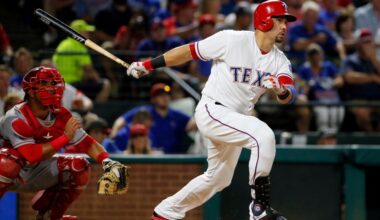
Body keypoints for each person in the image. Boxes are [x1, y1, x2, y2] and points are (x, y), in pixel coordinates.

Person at [126, 0, 297, 219]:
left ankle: (165, 212)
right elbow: (188, 52)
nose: (285, 26)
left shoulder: (279, 60)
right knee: (263, 135)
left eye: (286, 21)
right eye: (280, 20)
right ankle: (259, 207)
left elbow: (289, 94)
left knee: (218, 179)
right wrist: (149, 65)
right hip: (213, 110)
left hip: (236, 121)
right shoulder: (231, 40)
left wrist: (282, 90)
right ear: (264, 20)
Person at [0, 66, 128, 219]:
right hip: (10, 171)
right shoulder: (15, 116)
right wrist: (65, 137)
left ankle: (50, 216)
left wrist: (107, 162)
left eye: (54, 84)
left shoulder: (61, 114)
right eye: (45, 84)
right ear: (31, 91)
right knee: (8, 161)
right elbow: (32, 155)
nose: (53, 88)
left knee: (79, 166)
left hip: (35, 171)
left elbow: (87, 143)